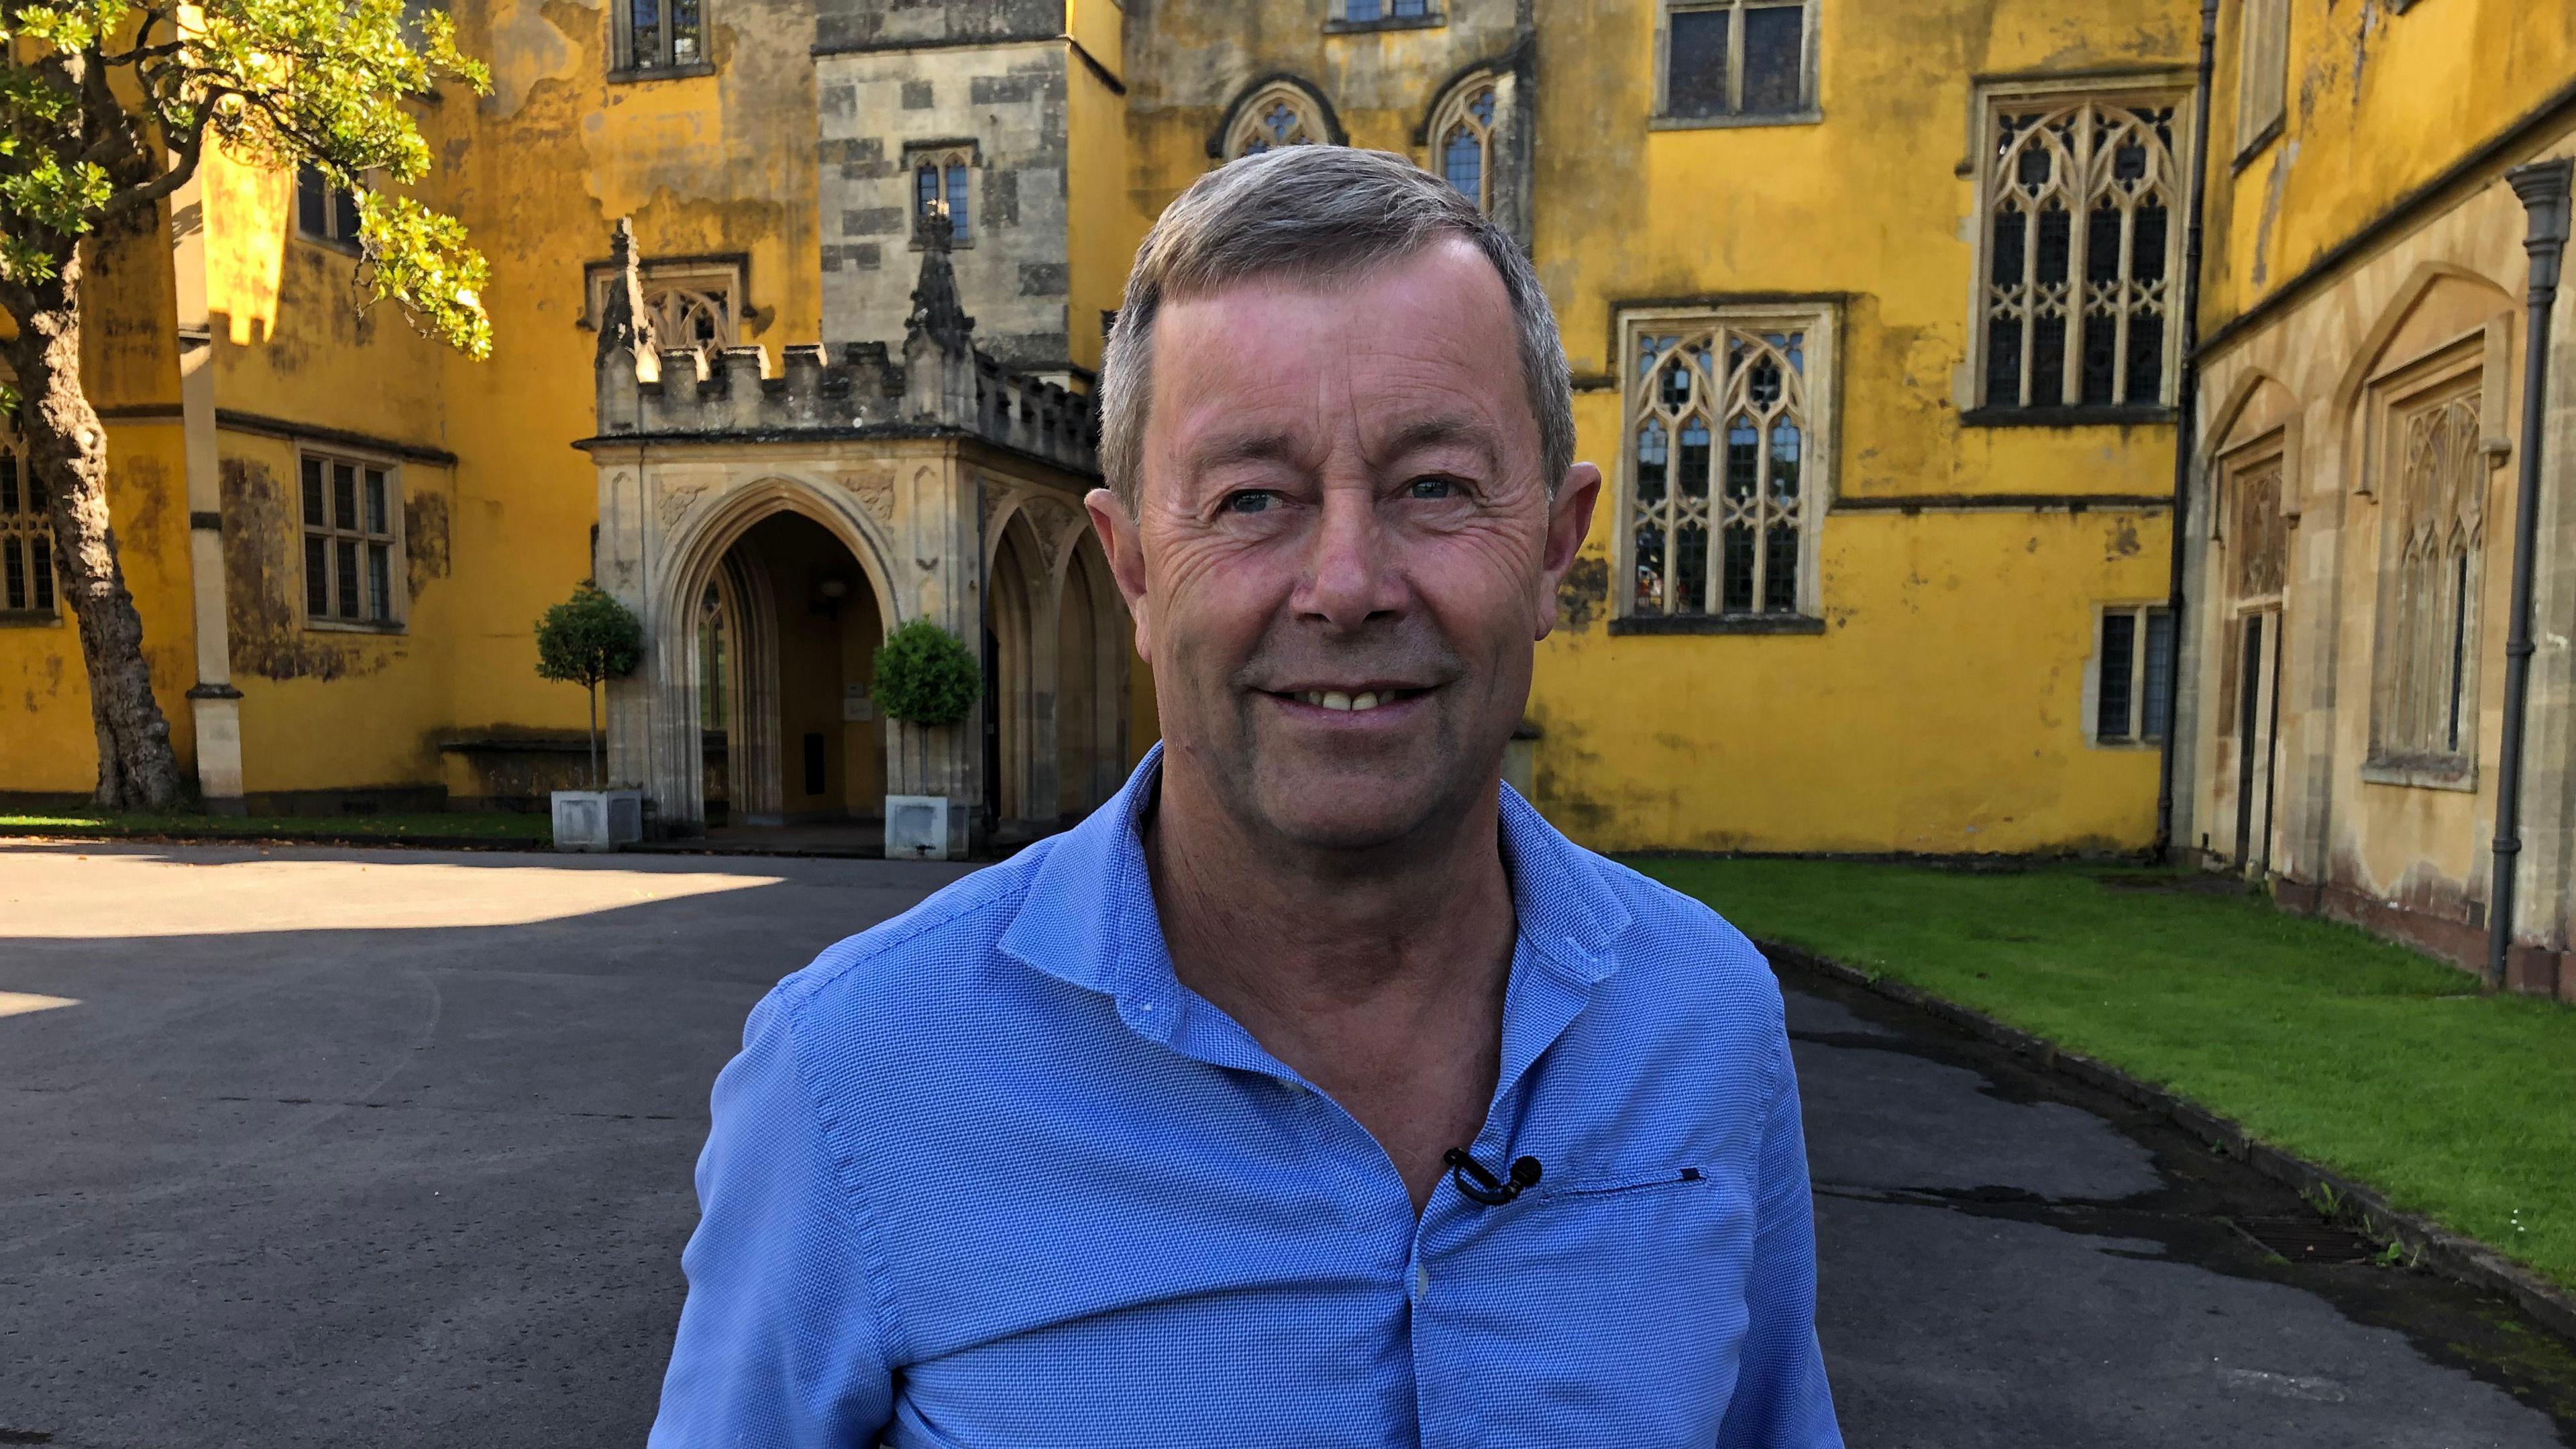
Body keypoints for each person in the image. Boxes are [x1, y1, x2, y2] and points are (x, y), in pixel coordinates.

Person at [648, 144, 1842, 1448]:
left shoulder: (1705, 1024)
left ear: (1557, 547)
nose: (1346, 584)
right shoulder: (853, 1074)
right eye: (1253, 497)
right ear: (1136, 567)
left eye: (1434, 487)